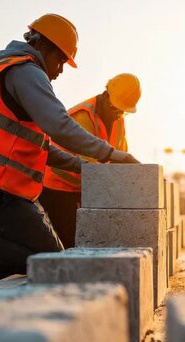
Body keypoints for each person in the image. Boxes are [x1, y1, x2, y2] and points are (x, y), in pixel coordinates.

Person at [0, 14, 139, 293]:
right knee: (48, 259)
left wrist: (82, 167)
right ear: (44, 47)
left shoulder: (14, 71)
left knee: (45, 254)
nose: (61, 70)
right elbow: (60, 126)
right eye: (61, 60)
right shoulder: (26, 72)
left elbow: (42, 146)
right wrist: (110, 154)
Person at [39, 73, 141, 248]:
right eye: (115, 108)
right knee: (70, 243)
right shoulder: (83, 116)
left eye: (122, 111)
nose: (118, 114)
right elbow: (91, 171)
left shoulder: (118, 120)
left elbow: (122, 156)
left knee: (90, 241)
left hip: (87, 189)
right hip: (60, 188)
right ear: (105, 96)